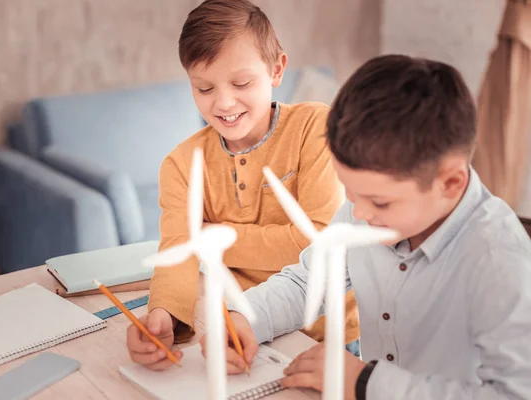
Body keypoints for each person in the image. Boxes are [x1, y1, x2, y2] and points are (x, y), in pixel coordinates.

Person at [204, 54, 531, 399]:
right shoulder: (366, 212)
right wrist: (244, 318)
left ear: (450, 183)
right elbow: (307, 283)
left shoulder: (499, 260)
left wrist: (366, 383)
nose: (357, 213)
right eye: (350, 191)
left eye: (379, 201)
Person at [126, 0, 361, 371]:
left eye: (241, 83)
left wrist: (213, 238)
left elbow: (316, 241)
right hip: (245, 329)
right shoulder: (182, 165)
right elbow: (179, 252)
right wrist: (163, 315)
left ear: (276, 69)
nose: (223, 102)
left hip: (334, 335)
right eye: (203, 88)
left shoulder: (315, 128)